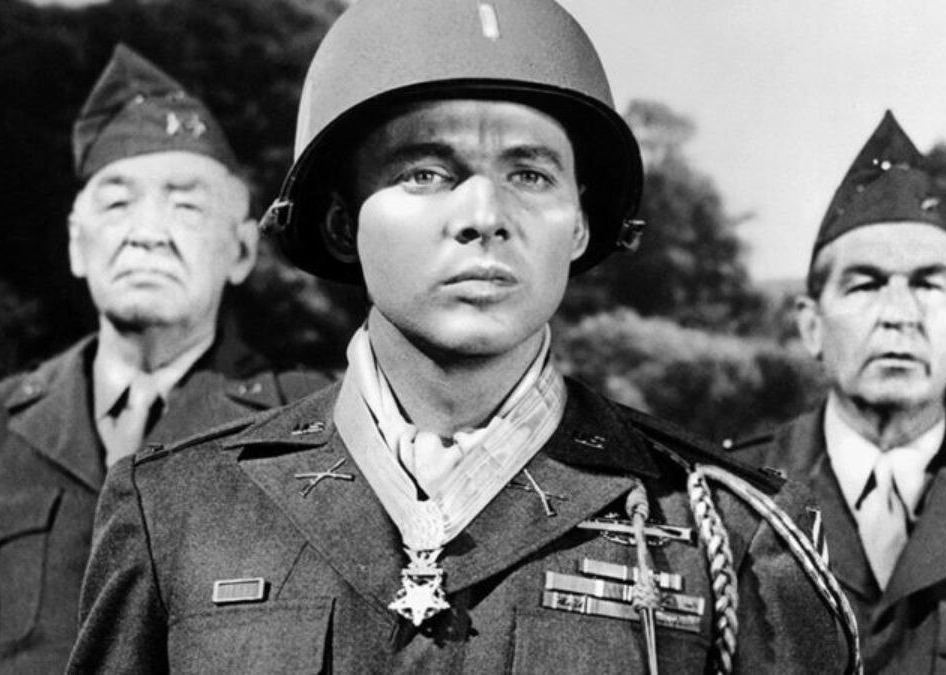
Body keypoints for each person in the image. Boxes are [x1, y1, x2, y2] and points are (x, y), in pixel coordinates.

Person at [70, 2, 858, 672]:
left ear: (581, 225)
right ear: (342, 222)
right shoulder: (181, 512)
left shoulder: (728, 531)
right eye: (426, 172)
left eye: (530, 174)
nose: (484, 216)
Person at [0, 44, 326, 674]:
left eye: (186, 206)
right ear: (77, 243)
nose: (146, 233)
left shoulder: (311, 422)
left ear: (241, 250)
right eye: (117, 203)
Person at [729, 111, 946, 672]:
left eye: (927, 284)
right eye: (866, 284)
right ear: (810, 324)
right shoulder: (723, 497)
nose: (899, 314)